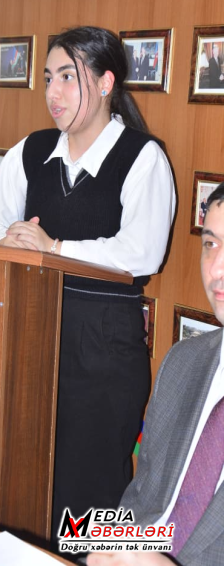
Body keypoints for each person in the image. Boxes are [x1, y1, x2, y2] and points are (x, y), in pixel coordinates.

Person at [0, 26, 175, 532]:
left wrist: (54, 248)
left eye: (66, 77)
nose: (52, 93)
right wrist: (10, 238)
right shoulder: (32, 150)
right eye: (47, 78)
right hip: (30, 335)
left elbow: (141, 252)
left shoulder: (143, 156)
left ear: (105, 83)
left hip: (103, 347)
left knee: (88, 496)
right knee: (25, 485)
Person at [87, 181, 224, 566]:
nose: (216, 268)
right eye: (210, 243)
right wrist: (106, 551)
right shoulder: (183, 362)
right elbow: (139, 502)